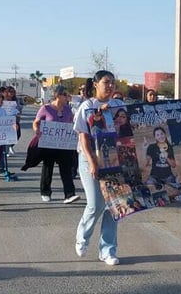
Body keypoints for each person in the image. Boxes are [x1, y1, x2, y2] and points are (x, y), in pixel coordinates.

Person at [73, 71, 126, 265]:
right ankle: (82, 236)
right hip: (90, 159)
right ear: (96, 84)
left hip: (114, 161)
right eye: (106, 82)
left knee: (114, 207)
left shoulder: (119, 105)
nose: (110, 86)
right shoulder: (87, 107)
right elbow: (84, 138)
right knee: (96, 204)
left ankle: (107, 250)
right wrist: (92, 162)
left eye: (113, 82)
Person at [32, 84, 78, 203]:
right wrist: (37, 130)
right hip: (49, 143)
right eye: (65, 95)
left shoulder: (68, 110)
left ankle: (69, 194)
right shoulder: (46, 108)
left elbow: (73, 123)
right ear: (57, 95)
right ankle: (45, 191)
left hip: (64, 143)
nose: (67, 97)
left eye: (68, 95)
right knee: (48, 167)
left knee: (66, 168)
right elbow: (36, 122)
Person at [141, 126, 181, 197]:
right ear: (155, 137)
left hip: (168, 176)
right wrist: (145, 149)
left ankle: (171, 187)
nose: (160, 136)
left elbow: (173, 165)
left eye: (162, 134)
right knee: (148, 190)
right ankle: (159, 186)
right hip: (154, 176)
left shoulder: (169, 147)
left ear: (165, 134)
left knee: (173, 193)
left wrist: (167, 157)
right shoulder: (152, 147)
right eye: (158, 135)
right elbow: (146, 164)